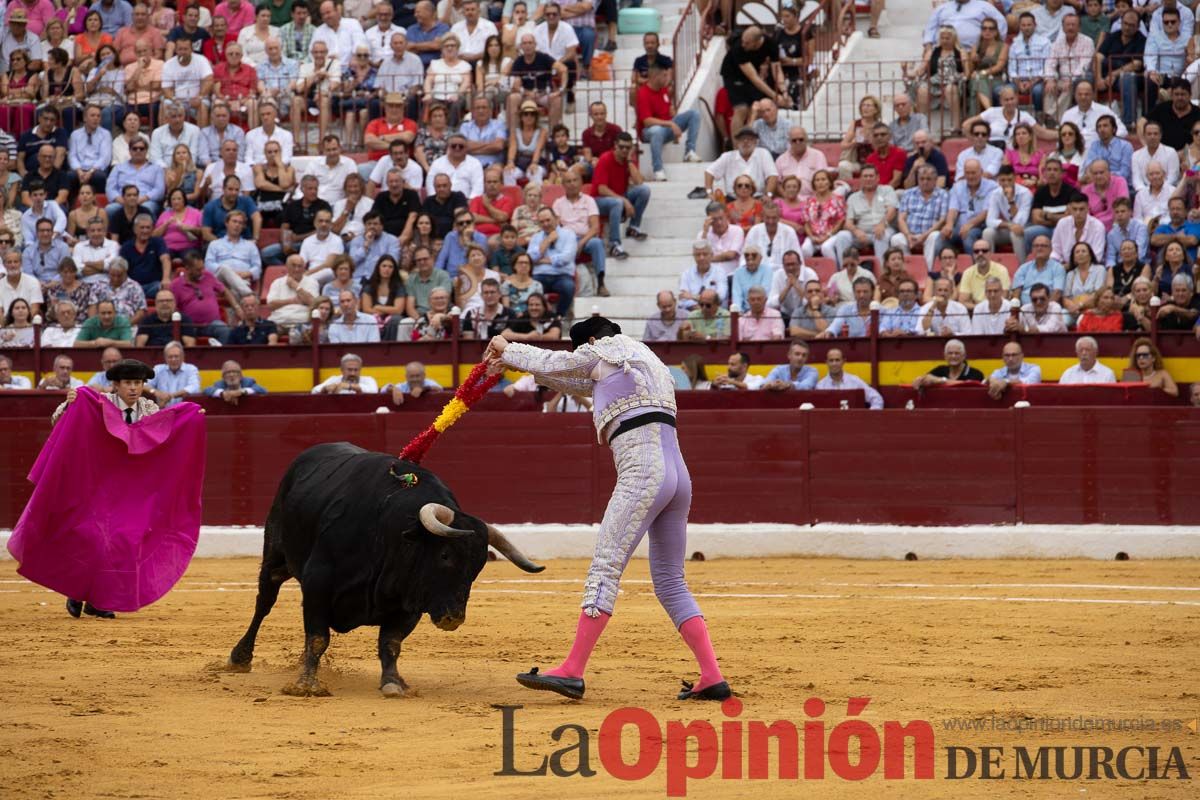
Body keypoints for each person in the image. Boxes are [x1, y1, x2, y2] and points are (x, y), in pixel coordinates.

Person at [487, 318, 730, 701]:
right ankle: (711, 675)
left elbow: (557, 364)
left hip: (643, 475)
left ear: (593, 341)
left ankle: (572, 670)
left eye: (581, 349)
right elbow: (574, 380)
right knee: (670, 581)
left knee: (605, 566)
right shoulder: (649, 361)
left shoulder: (604, 350)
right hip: (679, 478)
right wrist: (520, 366)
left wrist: (507, 347)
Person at [46, 358, 164, 618]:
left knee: (124, 542)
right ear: (116, 386)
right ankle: (82, 593)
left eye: (138, 383)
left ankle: (95, 599)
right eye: (128, 383)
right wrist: (70, 404)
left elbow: (169, 436)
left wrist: (191, 416)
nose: (134, 388)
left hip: (132, 488)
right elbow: (58, 423)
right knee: (96, 540)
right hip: (98, 485)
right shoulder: (100, 404)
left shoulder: (150, 409)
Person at [636, 64, 700, 181]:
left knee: (694, 114)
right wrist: (670, 124)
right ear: (655, 76)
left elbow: (669, 113)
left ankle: (689, 151)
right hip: (648, 132)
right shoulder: (643, 93)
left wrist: (673, 122)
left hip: (666, 128)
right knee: (657, 130)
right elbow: (647, 121)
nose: (668, 78)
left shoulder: (664, 90)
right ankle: (658, 169)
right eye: (664, 75)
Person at [816, 347, 883, 409]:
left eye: (837, 360)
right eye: (831, 360)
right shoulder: (820, 386)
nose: (834, 364)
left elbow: (877, 398)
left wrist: (869, 416)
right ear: (826, 362)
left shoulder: (855, 381)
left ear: (843, 361)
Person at [913, 339, 984, 389]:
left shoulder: (976, 373)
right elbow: (927, 377)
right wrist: (921, 379)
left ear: (964, 356)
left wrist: (941, 380)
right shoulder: (940, 369)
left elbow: (966, 385)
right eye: (950, 353)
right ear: (945, 356)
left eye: (957, 353)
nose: (953, 356)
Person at [148, 340, 200, 406]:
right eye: (170, 357)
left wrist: (171, 396)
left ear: (183, 357)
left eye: (176, 356)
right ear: (165, 358)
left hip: (184, 412)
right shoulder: (158, 369)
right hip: (163, 411)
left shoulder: (191, 369)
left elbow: (194, 387)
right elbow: (145, 384)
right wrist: (156, 392)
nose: (173, 359)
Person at [312, 351, 379, 394]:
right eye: (349, 370)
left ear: (360, 369)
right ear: (342, 370)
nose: (353, 373)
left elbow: (374, 391)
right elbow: (314, 391)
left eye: (356, 370)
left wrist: (349, 386)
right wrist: (325, 388)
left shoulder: (368, 379)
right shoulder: (334, 379)